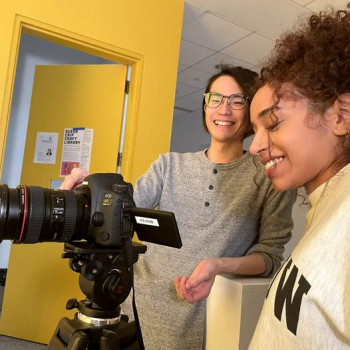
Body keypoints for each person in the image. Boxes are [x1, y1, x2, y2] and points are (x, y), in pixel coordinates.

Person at [60, 64, 296, 349]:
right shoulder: (169, 165)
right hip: (135, 307)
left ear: (250, 111)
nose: (224, 109)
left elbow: (269, 256)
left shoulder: (267, 176)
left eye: (237, 101)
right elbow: (123, 210)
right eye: (215, 99)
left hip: (204, 318)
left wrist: (217, 265)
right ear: (205, 106)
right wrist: (87, 192)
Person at [247, 9, 350, 349]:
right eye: (255, 131)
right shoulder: (327, 208)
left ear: (341, 116)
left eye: (273, 124)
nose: (256, 147)